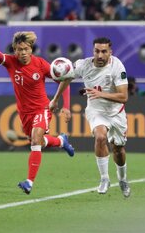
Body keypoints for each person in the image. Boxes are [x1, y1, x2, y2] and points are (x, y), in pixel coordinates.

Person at [0, 11, 74, 195]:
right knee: (38, 142)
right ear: (14, 50)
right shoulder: (10, 63)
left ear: (31, 49)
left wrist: (65, 105)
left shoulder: (40, 64)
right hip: (24, 113)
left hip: (42, 108)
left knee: (35, 140)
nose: (23, 53)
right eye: (19, 49)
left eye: (26, 49)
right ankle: (61, 141)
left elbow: (65, 80)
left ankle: (29, 182)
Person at [49, 37, 131, 198]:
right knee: (100, 137)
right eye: (97, 51)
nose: (100, 55)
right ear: (93, 51)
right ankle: (104, 179)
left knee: (119, 149)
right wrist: (56, 100)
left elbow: (124, 97)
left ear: (110, 52)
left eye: (104, 52)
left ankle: (122, 179)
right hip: (96, 110)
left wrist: (100, 94)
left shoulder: (117, 66)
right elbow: (67, 79)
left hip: (116, 112)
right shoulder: (84, 65)